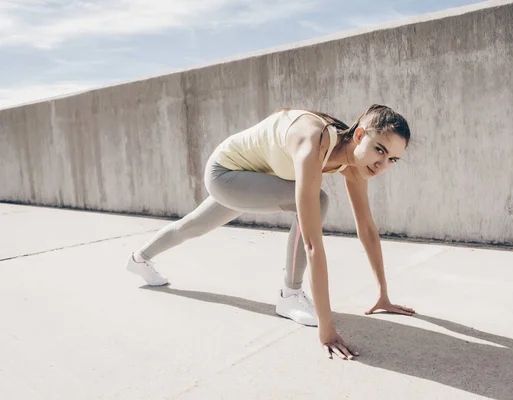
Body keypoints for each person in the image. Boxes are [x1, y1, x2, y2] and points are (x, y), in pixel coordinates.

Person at [126, 104, 415, 360]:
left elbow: (366, 226)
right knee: (318, 200)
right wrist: (327, 332)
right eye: (380, 149)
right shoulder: (315, 141)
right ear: (361, 135)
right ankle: (289, 294)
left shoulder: (353, 162)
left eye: (393, 159)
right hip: (227, 174)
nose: (383, 164)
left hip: (259, 178)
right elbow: (312, 244)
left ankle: (139, 259)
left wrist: (383, 294)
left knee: (192, 226)